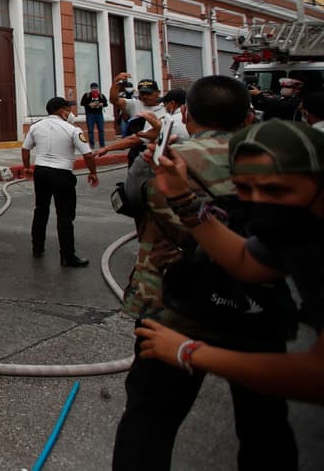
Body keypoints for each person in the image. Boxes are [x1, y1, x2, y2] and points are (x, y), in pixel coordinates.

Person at [112, 76, 298, 470]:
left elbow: (134, 204)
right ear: (249, 116)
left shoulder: (162, 164)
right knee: (265, 424)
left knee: (150, 420)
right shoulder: (283, 169)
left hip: (172, 311)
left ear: (188, 115)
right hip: (257, 309)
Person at [136, 119, 324, 404]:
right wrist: (181, 196)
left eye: (275, 190)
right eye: (244, 189)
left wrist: (188, 351)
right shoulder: (296, 227)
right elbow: (245, 261)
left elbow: (317, 376)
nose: (258, 202)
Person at [21, 96, 100, 267]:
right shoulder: (72, 130)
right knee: (65, 215)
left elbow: (25, 148)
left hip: (41, 172)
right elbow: (87, 154)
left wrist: (27, 167)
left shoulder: (36, 127)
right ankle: (67, 256)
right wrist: (93, 172)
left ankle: (37, 247)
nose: (70, 112)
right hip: (62, 173)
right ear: (60, 110)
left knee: (41, 210)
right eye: (68, 108)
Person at [79, 82, 108, 148]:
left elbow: (106, 103)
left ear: (98, 88)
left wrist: (102, 104)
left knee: (101, 130)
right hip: (90, 115)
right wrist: (89, 104)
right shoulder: (87, 95)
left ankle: (102, 144)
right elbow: (82, 103)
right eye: (93, 88)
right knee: (90, 130)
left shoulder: (101, 95)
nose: (94, 89)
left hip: (99, 115)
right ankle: (92, 144)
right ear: (91, 88)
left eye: (96, 88)